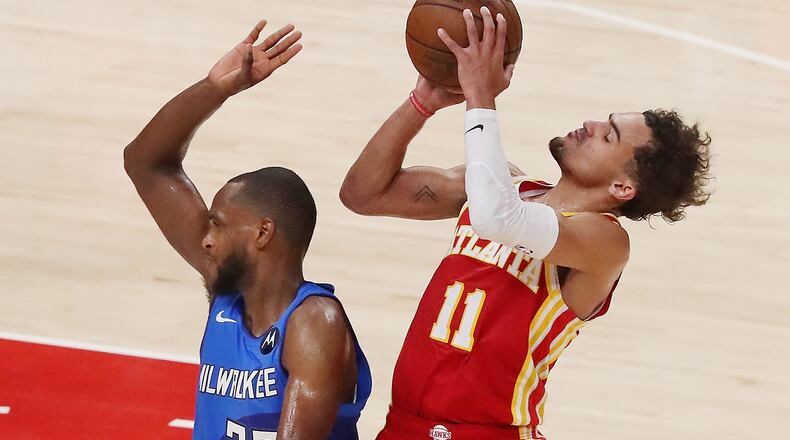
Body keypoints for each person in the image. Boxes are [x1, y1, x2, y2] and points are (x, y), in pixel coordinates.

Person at [340, 7, 711, 440]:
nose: (590, 125)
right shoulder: (499, 184)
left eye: (608, 135)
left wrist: (481, 94)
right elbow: (361, 194)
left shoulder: (603, 242)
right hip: (403, 425)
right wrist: (422, 102)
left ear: (623, 187)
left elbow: (499, 218)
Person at [123, 19, 371, 440]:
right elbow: (145, 163)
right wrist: (215, 88)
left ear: (263, 234)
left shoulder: (314, 324)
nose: (205, 237)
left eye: (217, 226)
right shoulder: (228, 294)